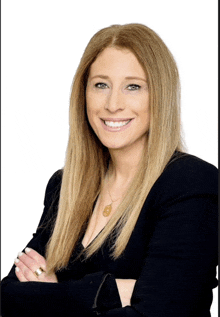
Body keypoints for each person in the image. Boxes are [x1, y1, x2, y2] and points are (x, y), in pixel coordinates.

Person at [1, 23, 218, 317]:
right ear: (84, 93)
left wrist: (51, 294)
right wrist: (109, 292)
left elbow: (159, 314)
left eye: (133, 86)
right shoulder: (65, 185)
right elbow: (8, 299)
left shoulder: (192, 185)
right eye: (101, 85)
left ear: (160, 96)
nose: (113, 104)